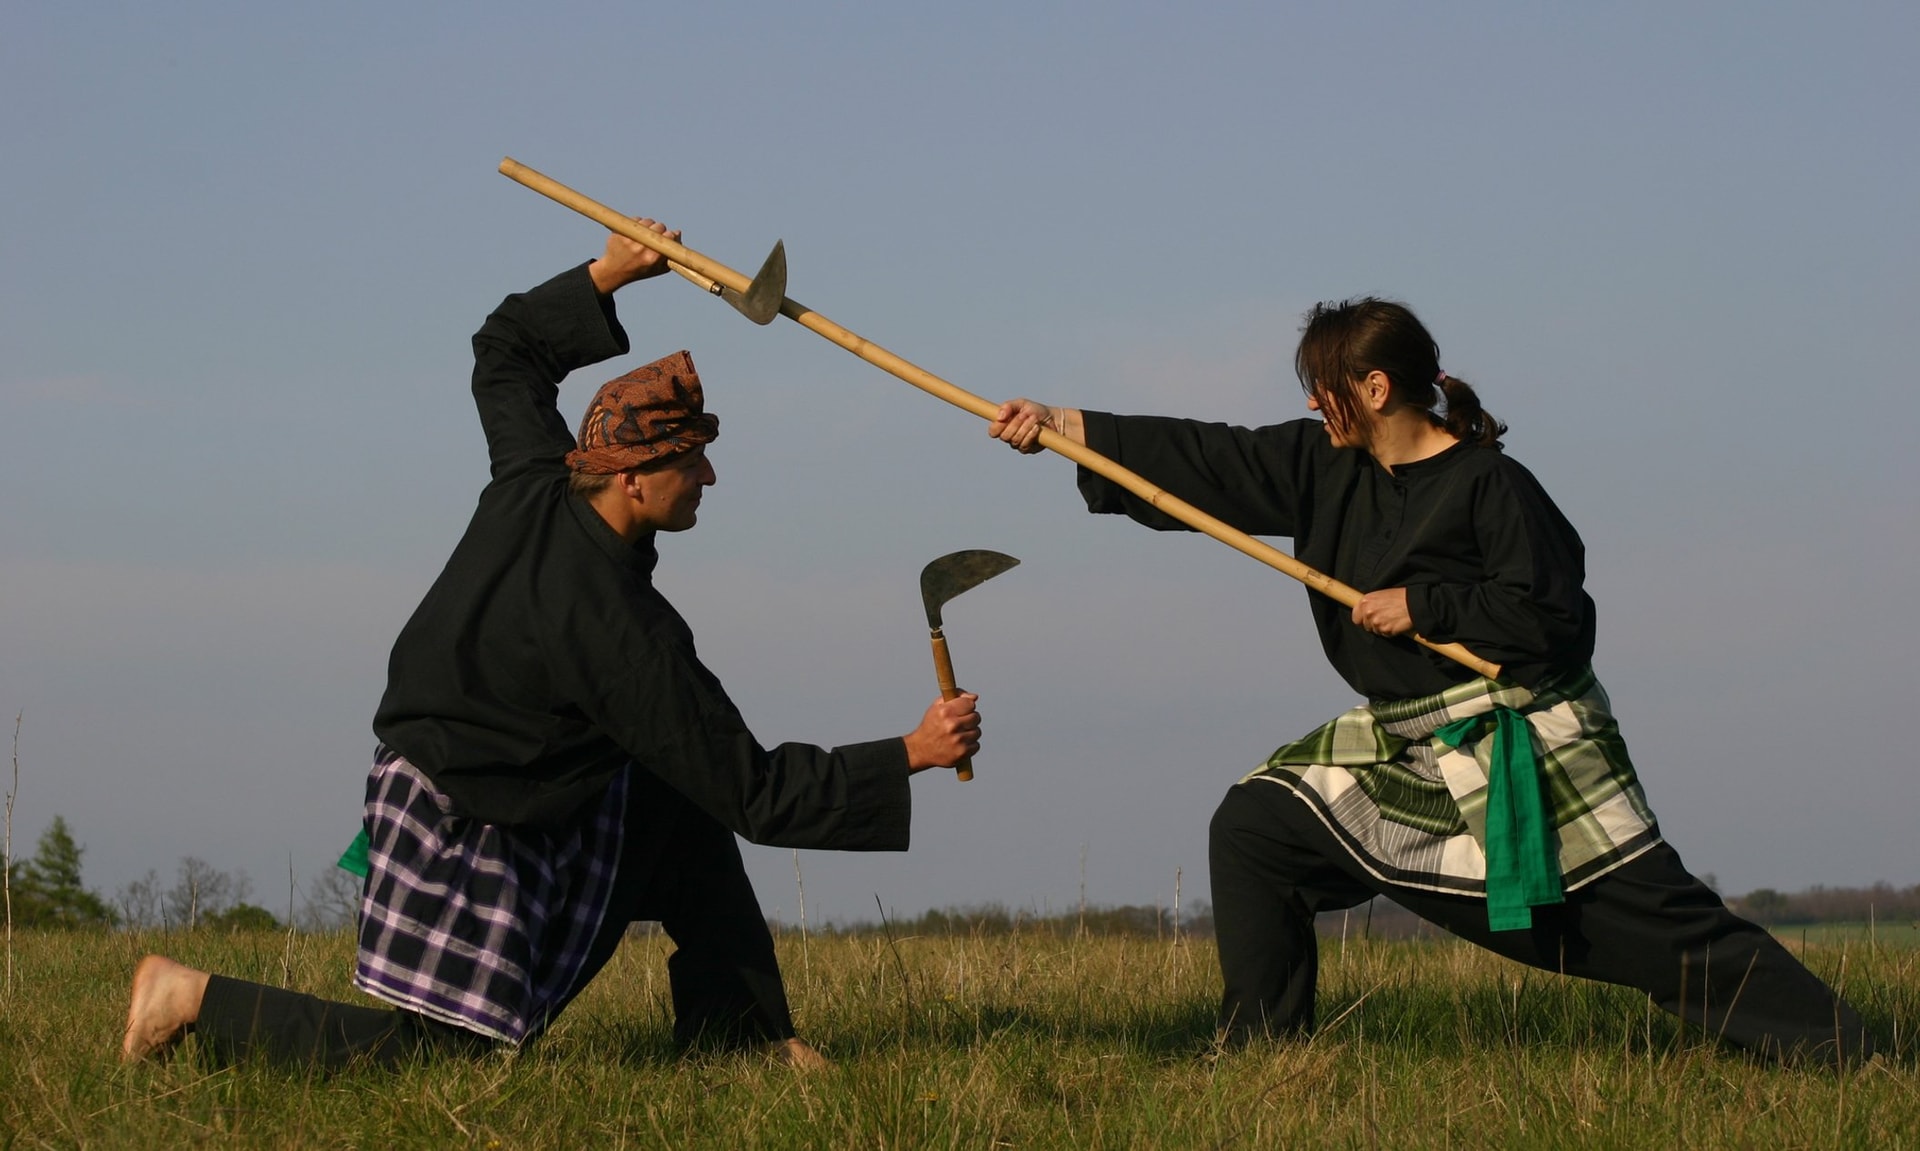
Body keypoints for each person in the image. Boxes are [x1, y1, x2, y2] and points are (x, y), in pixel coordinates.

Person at [123, 217, 983, 1071]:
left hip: (482, 781)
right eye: (693, 460)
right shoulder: (621, 634)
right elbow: (755, 791)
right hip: (463, 821)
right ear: (636, 475)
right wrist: (910, 751)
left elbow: (506, 352)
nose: (711, 477)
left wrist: (611, 271)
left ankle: (742, 1036)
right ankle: (191, 999)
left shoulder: (536, 477)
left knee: (674, 804)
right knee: (438, 1059)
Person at [987, 297, 1874, 1067]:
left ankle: (1861, 1055)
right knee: (1257, 828)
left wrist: (1427, 606)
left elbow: (1555, 620)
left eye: (1324, 383)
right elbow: (1205, 458)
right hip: (1407, 738)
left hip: (1529, 738)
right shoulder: (1324, 466)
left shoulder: (1494, 486)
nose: (1308, 401)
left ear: (1375, 389)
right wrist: (1063, 425)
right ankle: (1263, 1051)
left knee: (1655, 931)